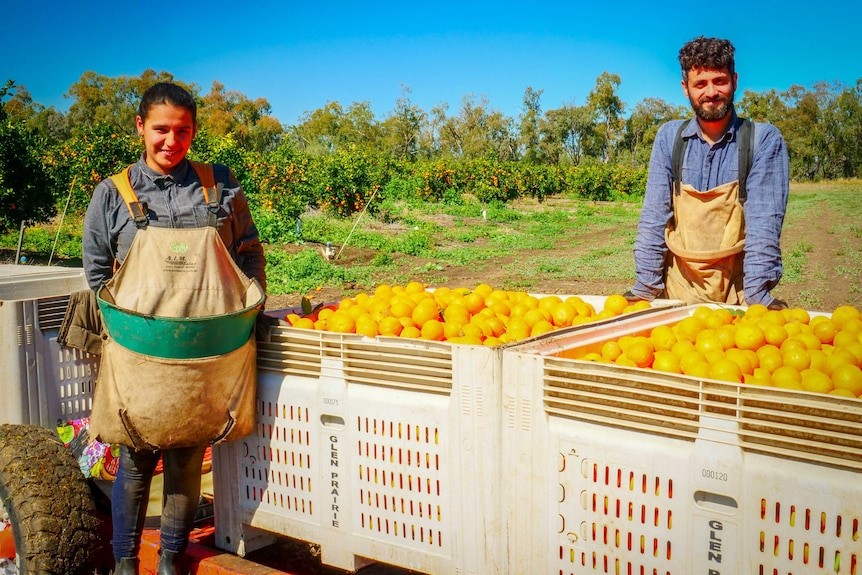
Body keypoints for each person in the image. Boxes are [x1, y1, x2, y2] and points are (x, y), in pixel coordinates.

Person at [83, 82, 266, 575]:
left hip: (206, 351)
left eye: (182, 131)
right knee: (137, 457)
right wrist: (130, 333)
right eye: (161, 129)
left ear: (194, 131)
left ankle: (170, 560)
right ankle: (125, 564)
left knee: (188, 453)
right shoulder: (113, 193)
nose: (171, 140)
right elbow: (99, 274)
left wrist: (251, 309)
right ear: (140, 127)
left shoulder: (219, 184)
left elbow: (247, 251)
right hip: (142, 351)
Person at [628, 36, 789, 308]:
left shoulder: (762, 140)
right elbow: (654, 217)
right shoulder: (669, 138)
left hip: (738, 297)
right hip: (675, 295)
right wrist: (644, 288)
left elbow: (764, 225)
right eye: (700, 84)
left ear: (734, 81)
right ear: (685, 88)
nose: (711, 92)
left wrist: (757, 298)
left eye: (720, 81)